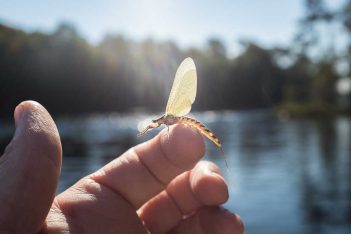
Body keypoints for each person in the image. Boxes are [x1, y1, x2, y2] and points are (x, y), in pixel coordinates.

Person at [0, 101, 244, 234]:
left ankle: (217, 147)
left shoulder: (174, 124)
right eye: (160, 122)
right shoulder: (167, 124)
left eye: (160, 122)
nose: (160, 123)